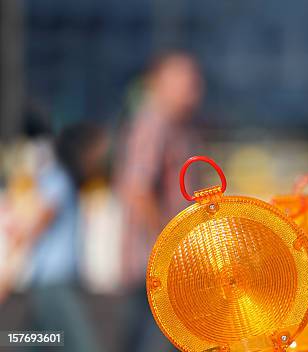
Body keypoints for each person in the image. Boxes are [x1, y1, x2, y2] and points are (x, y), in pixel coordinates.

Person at [115, 51, 203, 352]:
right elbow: (137, 190)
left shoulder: (178, 126)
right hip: (154, 267)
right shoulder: (153, 124)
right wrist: (169, 246)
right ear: (157, 83)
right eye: (183, 80)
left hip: (164, 265)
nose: (194, 87)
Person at [4, 120, 104, 351]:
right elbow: (35, 225)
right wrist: (7, 275)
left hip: (49, 284)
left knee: (38, 343)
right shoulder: (60, 180)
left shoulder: (61, 181)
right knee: (83, 345)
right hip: (54, 284)